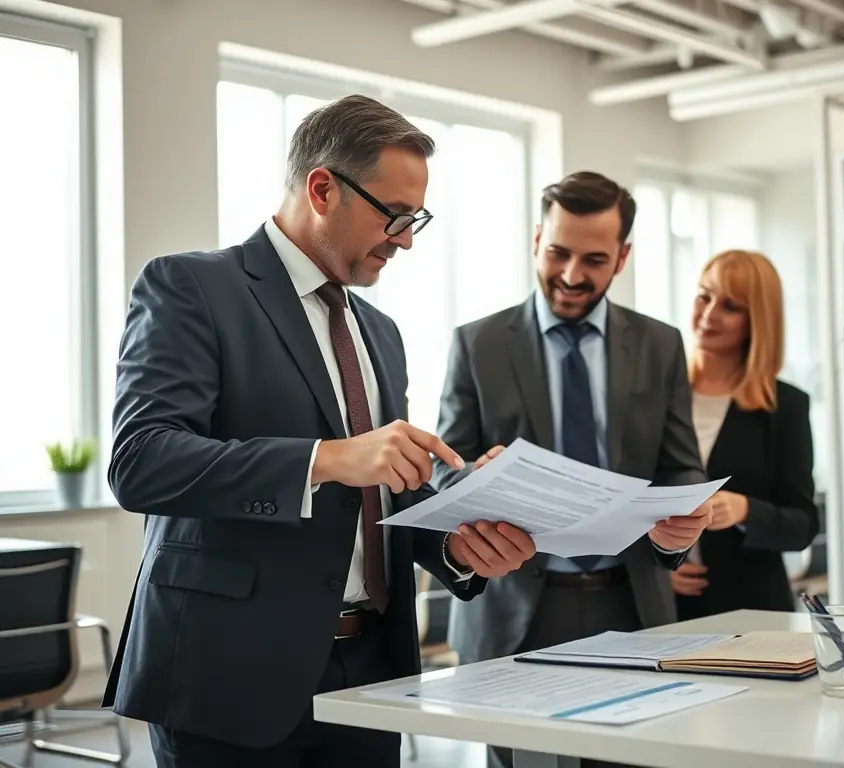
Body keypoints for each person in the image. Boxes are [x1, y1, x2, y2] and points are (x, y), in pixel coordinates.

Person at [102, 94, 536, 768]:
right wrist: (327, 458)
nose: (407, 240)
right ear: (323, 187)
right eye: (394, 216)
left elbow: (379, 497)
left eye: (415, 218)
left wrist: (461, 539)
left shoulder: (380, 335)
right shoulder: (191, 287)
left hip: (371, 674)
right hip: (228, 675)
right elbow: (142, 463)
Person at [433, 171, 710, 768]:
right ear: (537, 238)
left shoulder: (660, 346)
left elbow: (682, 467)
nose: (571, 274)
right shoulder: (478, 343)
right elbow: (444, 469)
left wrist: (685, 514)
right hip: (511, 608)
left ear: (623, 258)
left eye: (594, 259)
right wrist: (474, 476)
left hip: (630, 606)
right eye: (558, 251)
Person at [670, 249, 819, 621]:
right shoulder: (655, 397)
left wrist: (745, 510)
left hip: (753, 611)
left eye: (730, 306)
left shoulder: (785, 406)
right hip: (665, 612)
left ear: (758, 321)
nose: (708, 314)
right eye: (704, 296)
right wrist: (655, 566)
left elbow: (802, 526)